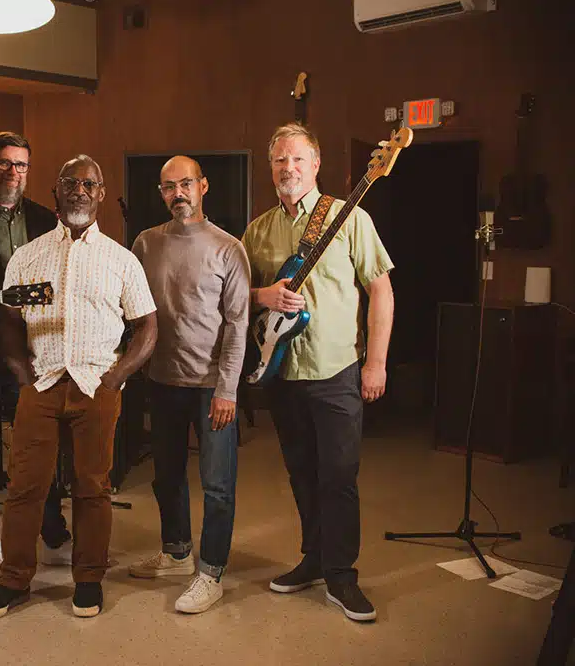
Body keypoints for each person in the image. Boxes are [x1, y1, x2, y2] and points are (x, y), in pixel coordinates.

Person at [0, 155, 158, 620]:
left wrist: (115, 378)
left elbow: (147, 327)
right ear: (56, 191)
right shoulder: (27, 256)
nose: (80, 190)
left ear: (101, 194)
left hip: (96, 387)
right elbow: (9, 323)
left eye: (89, 184)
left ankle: (88, 579)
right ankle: (14, 580)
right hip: (41, 383)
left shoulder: (121, 260)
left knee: (92, 487)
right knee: (24, 486)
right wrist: (23, 376)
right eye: (70, 182)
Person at [241, 122, 394, 622]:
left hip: (336, 371)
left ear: (316, 165)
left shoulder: (350, 217)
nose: (288, 168)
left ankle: (342, 574)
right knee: (301, 471)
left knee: (339, 475)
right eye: (280, 160)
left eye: (298, 159)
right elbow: (233, 294)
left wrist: (376, 362)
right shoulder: (257, 231)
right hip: (282, 373)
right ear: (271, 168)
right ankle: (313, 558)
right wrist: (262, 295)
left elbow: (381, 291)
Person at [128, 155, 251, 614]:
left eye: (185, 184)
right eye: (168, 187)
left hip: (211, 387)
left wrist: (227, 390)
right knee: (167, 476)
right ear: (161, 193)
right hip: (162, 382)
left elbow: (237, 324)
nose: (177, 193)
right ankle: (177, 553)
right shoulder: (145, 244)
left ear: (203, 186)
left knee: (217, 485)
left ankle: (211, 572)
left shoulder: (228, 248)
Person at [0, 131, 71, 580]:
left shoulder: (46, 220)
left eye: (21, 164)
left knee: (40, 443)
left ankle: (52, 531)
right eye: (4, 163)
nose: (13, 172)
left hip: (33, 351)